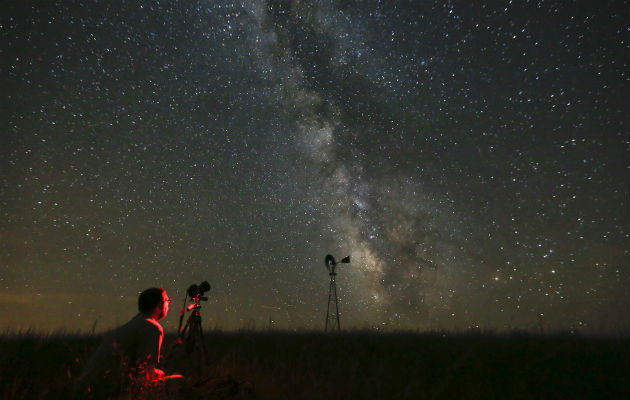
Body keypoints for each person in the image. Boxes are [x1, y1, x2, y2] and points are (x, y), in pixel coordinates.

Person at [74, 287, 181, 399]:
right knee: (178, 381)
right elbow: (145, 373)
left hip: (89, 389)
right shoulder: (152, 327)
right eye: (168, 301)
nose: (169, 305)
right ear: (160, 304)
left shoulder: (134, 324)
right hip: (105, 392)